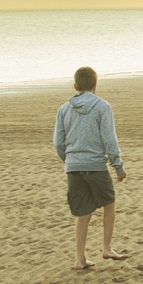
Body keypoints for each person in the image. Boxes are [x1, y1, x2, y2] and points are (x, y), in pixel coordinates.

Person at [53, 66, 126, 272]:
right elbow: (109, 139)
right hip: (95, 165)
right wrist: (118, 165)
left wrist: (69, 160)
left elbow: (58, 142)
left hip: (73, 167)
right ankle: (107, 248)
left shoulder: (64, 109)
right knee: (109, 203)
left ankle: (80, 259)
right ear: (95, 86)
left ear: (75, 86)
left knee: (83, 213)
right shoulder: (102, 106)